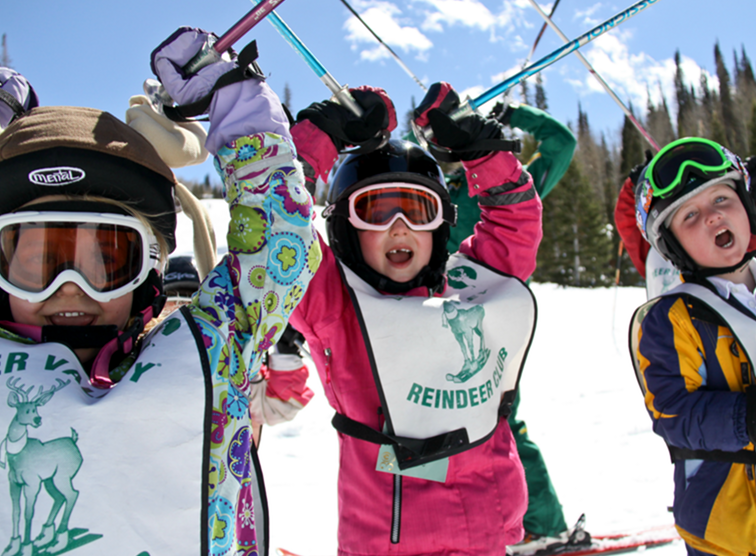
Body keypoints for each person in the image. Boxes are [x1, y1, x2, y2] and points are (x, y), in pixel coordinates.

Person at [0, 26, 319, 556]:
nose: (70, 289)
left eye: (107, 263)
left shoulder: (206, 350)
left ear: (147, 270)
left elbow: (277, 247)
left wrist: (233, 98)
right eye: (39, 264)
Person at [290, 81, 542, 555]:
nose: (399, 227)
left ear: (441, 225)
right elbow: (277, 234)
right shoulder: (338, 311)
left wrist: (478, 146)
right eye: (376, 211)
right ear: (346, 228)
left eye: (417, 210)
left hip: (489, 536)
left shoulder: (474, 290)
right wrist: (322, 133)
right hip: (387, 544)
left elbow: (515, 222)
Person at [630, 137, 756, 555]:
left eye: (722, 197)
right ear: (672, 245)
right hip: (727, 529)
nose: (713, 215)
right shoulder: (672, 319)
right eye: (689, 215)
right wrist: (747, 417)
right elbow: (672, 413)